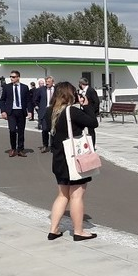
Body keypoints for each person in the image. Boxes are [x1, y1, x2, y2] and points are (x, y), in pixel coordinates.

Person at [46, 81, 99, 241]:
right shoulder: (72, 112)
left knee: (62, 195)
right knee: (77, 196)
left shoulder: (50, 111)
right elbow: (93, 123)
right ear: (70, 94)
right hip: (74, 160)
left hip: (59, 158)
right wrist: (87, 105)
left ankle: (53, 229)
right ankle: (78, 231)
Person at [0, 70, 31, 157]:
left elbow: (28, 100)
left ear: (18, 77)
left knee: (21, 131)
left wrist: (30, 111)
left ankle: (20, 149)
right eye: (10, 77)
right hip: (11, 112)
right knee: (12, 130)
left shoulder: (24, 87)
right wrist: (3, 111)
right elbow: (2, 100)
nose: (11, 78)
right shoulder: (7, 87)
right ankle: (13, 148)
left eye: (13, 77)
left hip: (21, 111)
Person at [34, 76, 55, 153]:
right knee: (45, 129)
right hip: (44, 112)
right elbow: (36, 99)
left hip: (54, 112)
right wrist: (39, 108)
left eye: (49, 82)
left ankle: (53, 146)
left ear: (52, 82)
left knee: (54, 130)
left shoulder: (56, 90)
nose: (47, 83)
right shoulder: (41, 90)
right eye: (46, 82)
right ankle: (45, 145)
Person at [78, 78, 100, 148]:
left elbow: (96, 102)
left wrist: (92, 111)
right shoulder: (82, 91)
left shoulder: (91, 90)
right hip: (84, 112)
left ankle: (92, 145)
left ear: (81, 84)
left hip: (90, 113)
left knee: (91, 129)